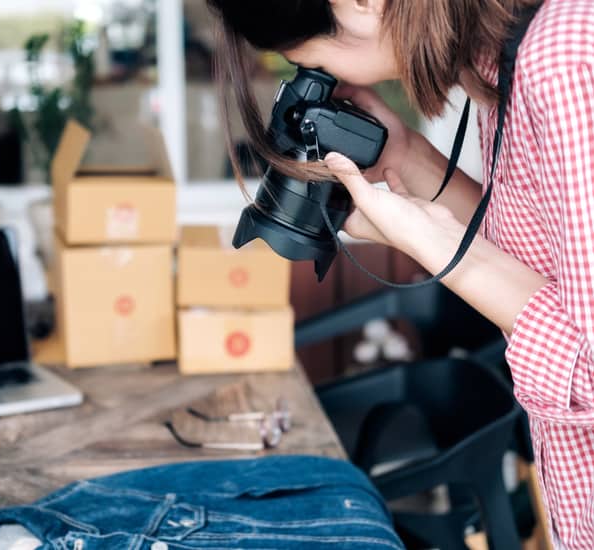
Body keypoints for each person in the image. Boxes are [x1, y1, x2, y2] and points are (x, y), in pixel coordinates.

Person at [205, 0, 594, 547]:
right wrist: (406, 156)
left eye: (317, 61)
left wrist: (426, 240)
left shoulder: (562, 62)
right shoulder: (502, 64)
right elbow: (545, 270)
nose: (328, 83)